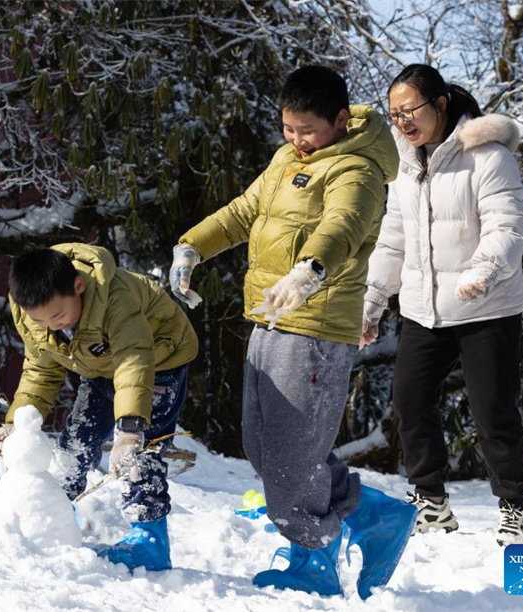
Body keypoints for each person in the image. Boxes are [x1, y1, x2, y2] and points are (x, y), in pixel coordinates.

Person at [170, 65, 416, 600]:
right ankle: (369, 512)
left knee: (288, 453)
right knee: (265, 445)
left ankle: (314, 555)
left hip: (315, 323)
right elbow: (244, 212)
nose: (296, 140)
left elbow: (343, 226)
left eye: (307, 130)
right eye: (288, 128)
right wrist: (193, 246)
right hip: (271, 314)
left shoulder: (357, 169)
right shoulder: (287, 160)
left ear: (340, 120)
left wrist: (310, 270)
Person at [361, 64, 523, 546]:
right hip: (424, 308)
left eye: (410, 110)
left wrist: (485, 269)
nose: (403, 122)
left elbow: (507, 226)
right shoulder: (405, 164)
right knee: (410, 400)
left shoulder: (488, 156)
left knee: (492, 410)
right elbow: (393, 239)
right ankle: (431, 502)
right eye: (395, 114)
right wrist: (373, 300)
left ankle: (513, 509)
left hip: (487, 306)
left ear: (439, 104)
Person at [0, 242, 198, 571]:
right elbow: (40, 371)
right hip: (100, 366)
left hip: (158, 361)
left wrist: (130, 430)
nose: (51, 326)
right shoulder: (33, 314)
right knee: (76, 440)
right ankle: (55, 517)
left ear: (78, 286)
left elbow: (134, 360)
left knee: (140, 452)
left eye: (58, 316)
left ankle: (150, 540)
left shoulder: (116, 297)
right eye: (40, 320)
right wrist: (16, 426)